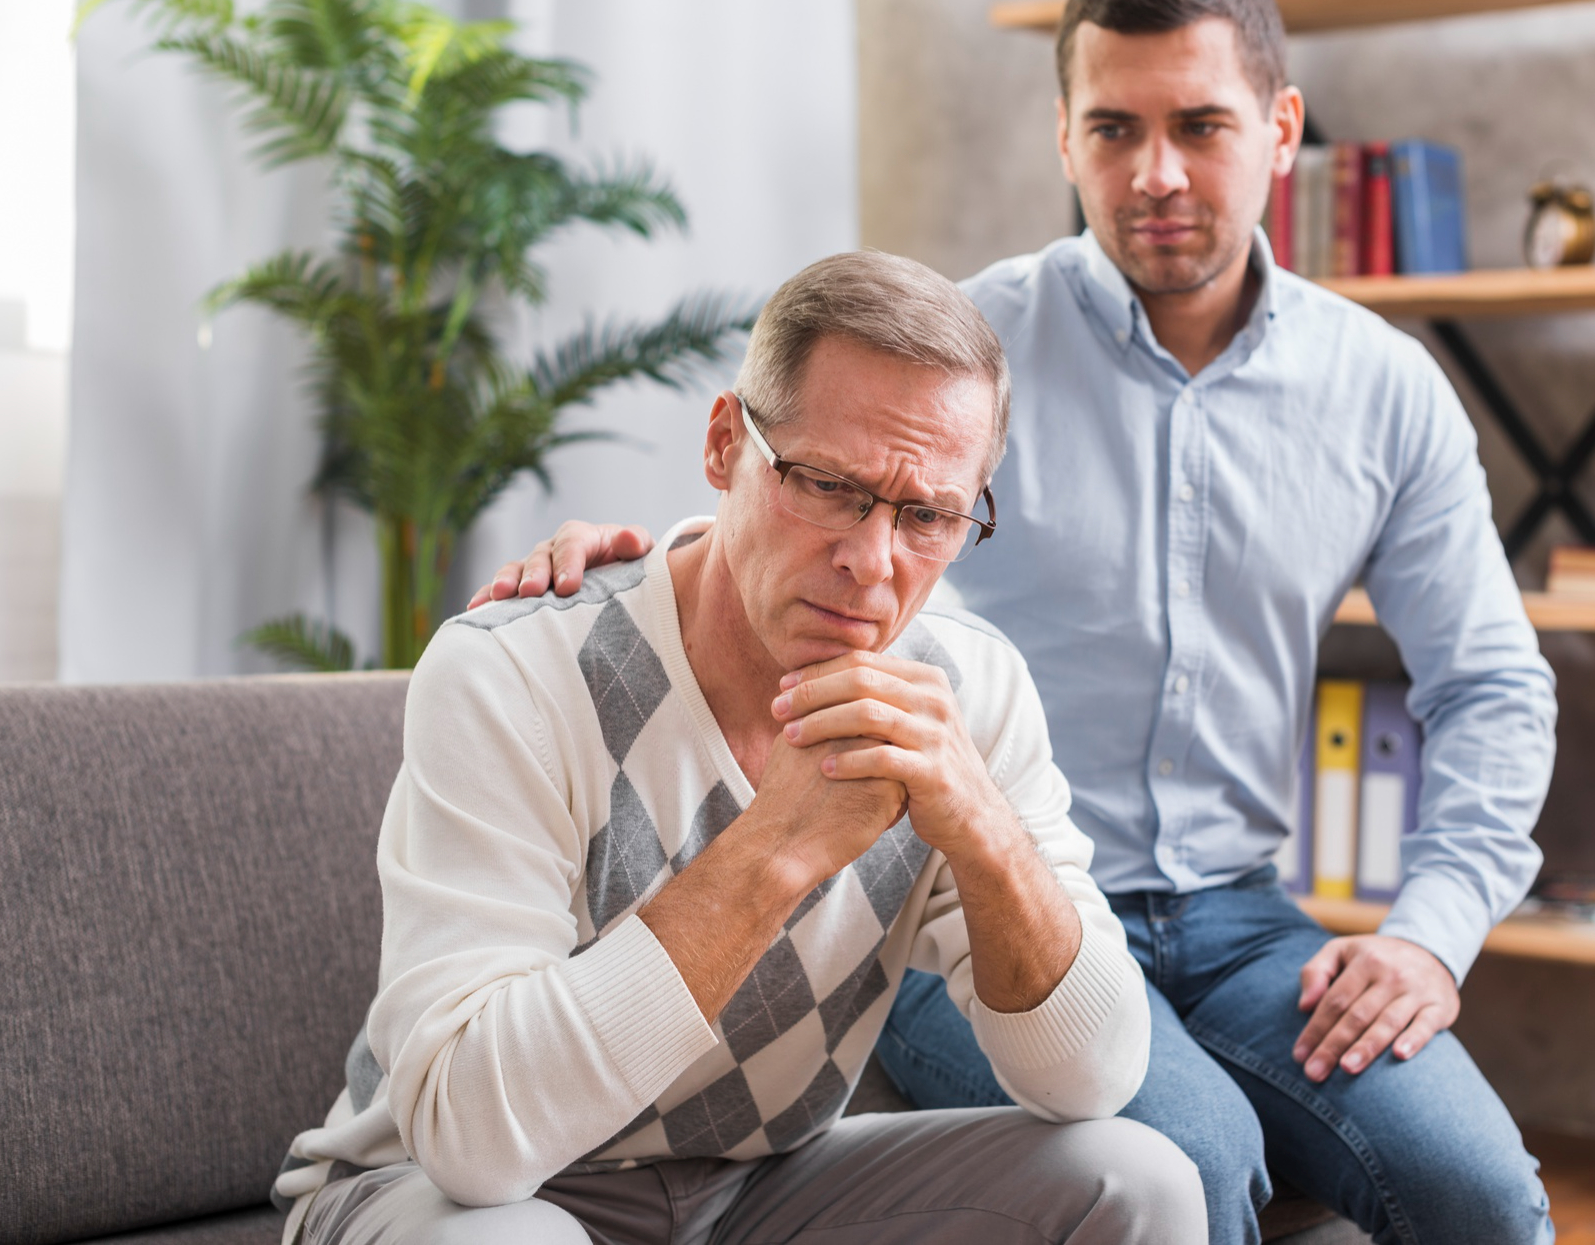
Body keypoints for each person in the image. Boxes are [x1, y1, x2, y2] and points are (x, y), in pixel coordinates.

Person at [473, 0, 1558, 1245]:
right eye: (1114, 128)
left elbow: (1493, 682)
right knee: (1190, 1157)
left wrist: (1431, 933)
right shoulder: (969, 356)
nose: (1154, 173)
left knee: (1487, 1192)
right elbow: (815, 503)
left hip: (1245, 920)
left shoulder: (1384, 390)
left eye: (1200, 125)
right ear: (1062, 137)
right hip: (977, 892)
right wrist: (638, 553)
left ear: (1280, 130)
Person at [278, 251, 1204, 1245]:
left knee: (1133, 1180)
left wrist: (980, 826)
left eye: (928, 515)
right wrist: (774, 850)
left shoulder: (963, 690)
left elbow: (1092, 1075)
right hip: (447, 1197)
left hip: (756, 1187)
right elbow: (471, 1140)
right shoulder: (515, 671)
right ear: (725, 445)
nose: (870, 563)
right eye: (825, 485)